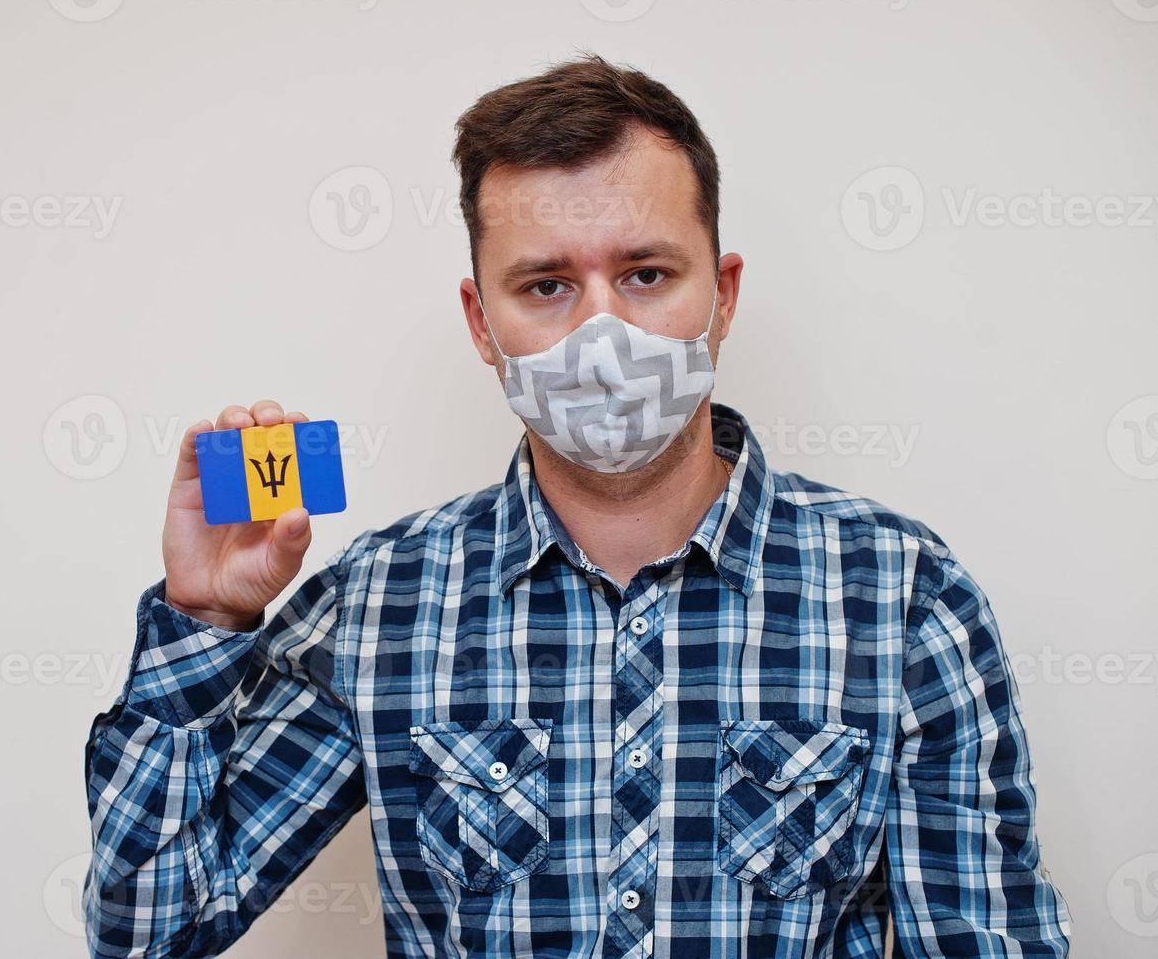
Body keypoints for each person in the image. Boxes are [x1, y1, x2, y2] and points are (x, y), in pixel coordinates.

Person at [82, 54, 1071, 957]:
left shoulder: (901, 594)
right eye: (547, 284)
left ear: (722, 294)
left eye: (646, 274)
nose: (603, 333)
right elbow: (149, 924)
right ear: (482, 320)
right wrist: (205, 620)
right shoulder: (380, 604)